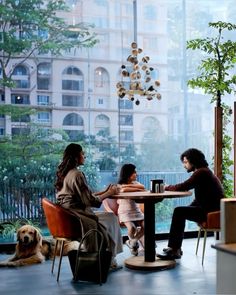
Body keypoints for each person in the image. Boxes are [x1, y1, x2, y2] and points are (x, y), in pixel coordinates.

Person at [55, 143, 123, 268]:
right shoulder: (77, 174)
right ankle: (110, 258)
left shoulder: (66, 174)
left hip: (71, 215)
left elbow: (83, 196)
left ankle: (110, 257)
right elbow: (91, 202)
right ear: (76, 157)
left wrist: (105, 191)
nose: (84, 156)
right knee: (112, 218)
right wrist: (109, 193)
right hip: (79, 217)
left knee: (110, 218)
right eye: (82, 153)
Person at [157, 148, 224, 260]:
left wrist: (166, 187)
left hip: (212, 212)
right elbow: (200, 199)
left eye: (186, 162)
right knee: (180, 212)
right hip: (212, 209)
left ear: (194, 161)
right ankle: (175, 247)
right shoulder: (204, 171)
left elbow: (183, 186)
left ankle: (174, 249)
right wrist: (186, 210)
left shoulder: (202, 172)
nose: (184, 165)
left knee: (179, 212)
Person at [117, 163, 145, 256]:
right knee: (132, 228)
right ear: (128, 174)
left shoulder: (136, 183)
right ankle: (134, 245)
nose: (136, 174)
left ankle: (132, 242)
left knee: (147, 226)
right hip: (125, 212)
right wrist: (126, 187)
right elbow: (123, 190)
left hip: (136, 210)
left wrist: (128, 187)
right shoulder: (120, 185)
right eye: (134, 172)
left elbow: (142, 187)